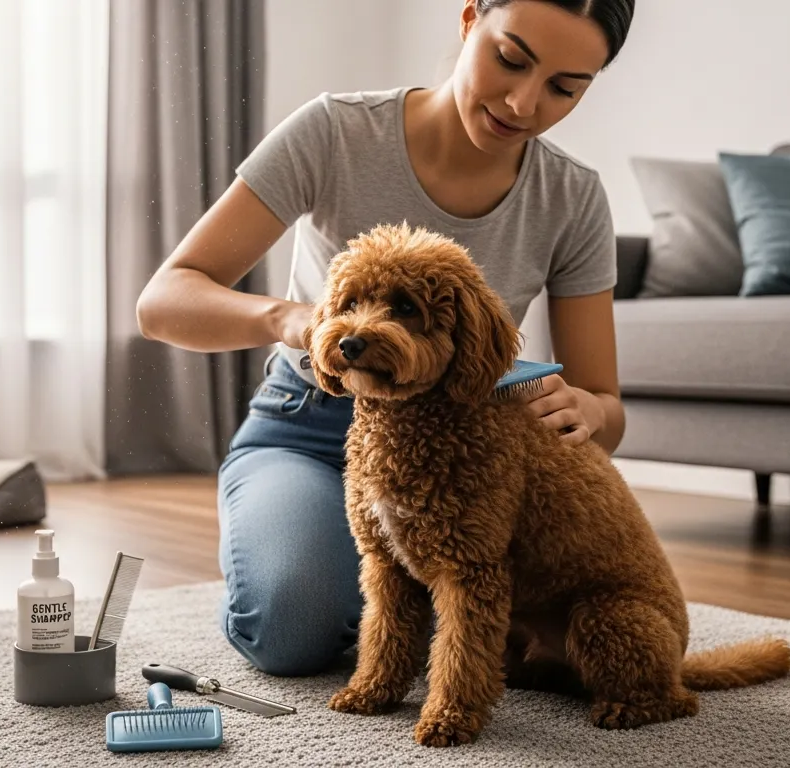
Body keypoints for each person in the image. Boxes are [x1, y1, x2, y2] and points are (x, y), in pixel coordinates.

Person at [137, 0, 637, 676]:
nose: (523, 103)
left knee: (575, 606)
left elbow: (605, 407)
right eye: (510, 60)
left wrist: (588, 413)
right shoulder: (336, 131)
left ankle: (429, 607)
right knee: (290, 626)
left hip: (466, 451)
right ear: (469, 21)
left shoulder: (572, 197)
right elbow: (164, 302)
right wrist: (293, 321)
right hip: (311, 429)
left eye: (563, 87)